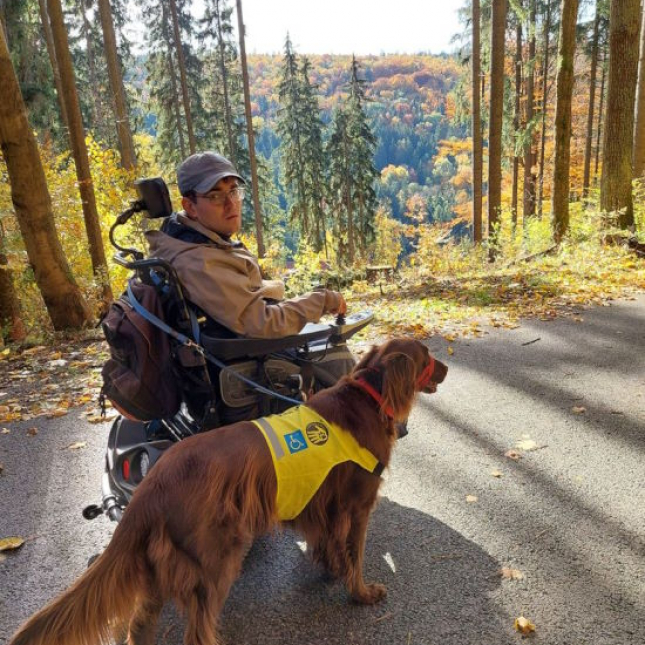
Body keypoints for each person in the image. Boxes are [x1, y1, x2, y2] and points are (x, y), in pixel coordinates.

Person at [145, 151, 346, 339]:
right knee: (338, 358)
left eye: (233, 191)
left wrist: (275, 290)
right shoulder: (198, 262)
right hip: (250, 358)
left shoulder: (194, 238)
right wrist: (323, 300)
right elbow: (265, 323)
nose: (231, 204)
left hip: (242, 346)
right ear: (190, 206)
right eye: (215, 196)